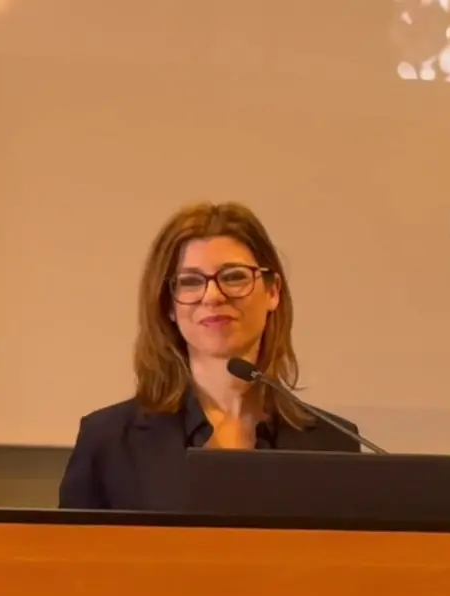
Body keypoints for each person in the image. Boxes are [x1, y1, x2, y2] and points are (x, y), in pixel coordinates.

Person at [57, 202, 360, 511]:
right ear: (168, 305)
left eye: (234, 277)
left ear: (273, 292)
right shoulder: (107, 442)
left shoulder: (334, 444)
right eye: (190, 282)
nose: (213, 296)